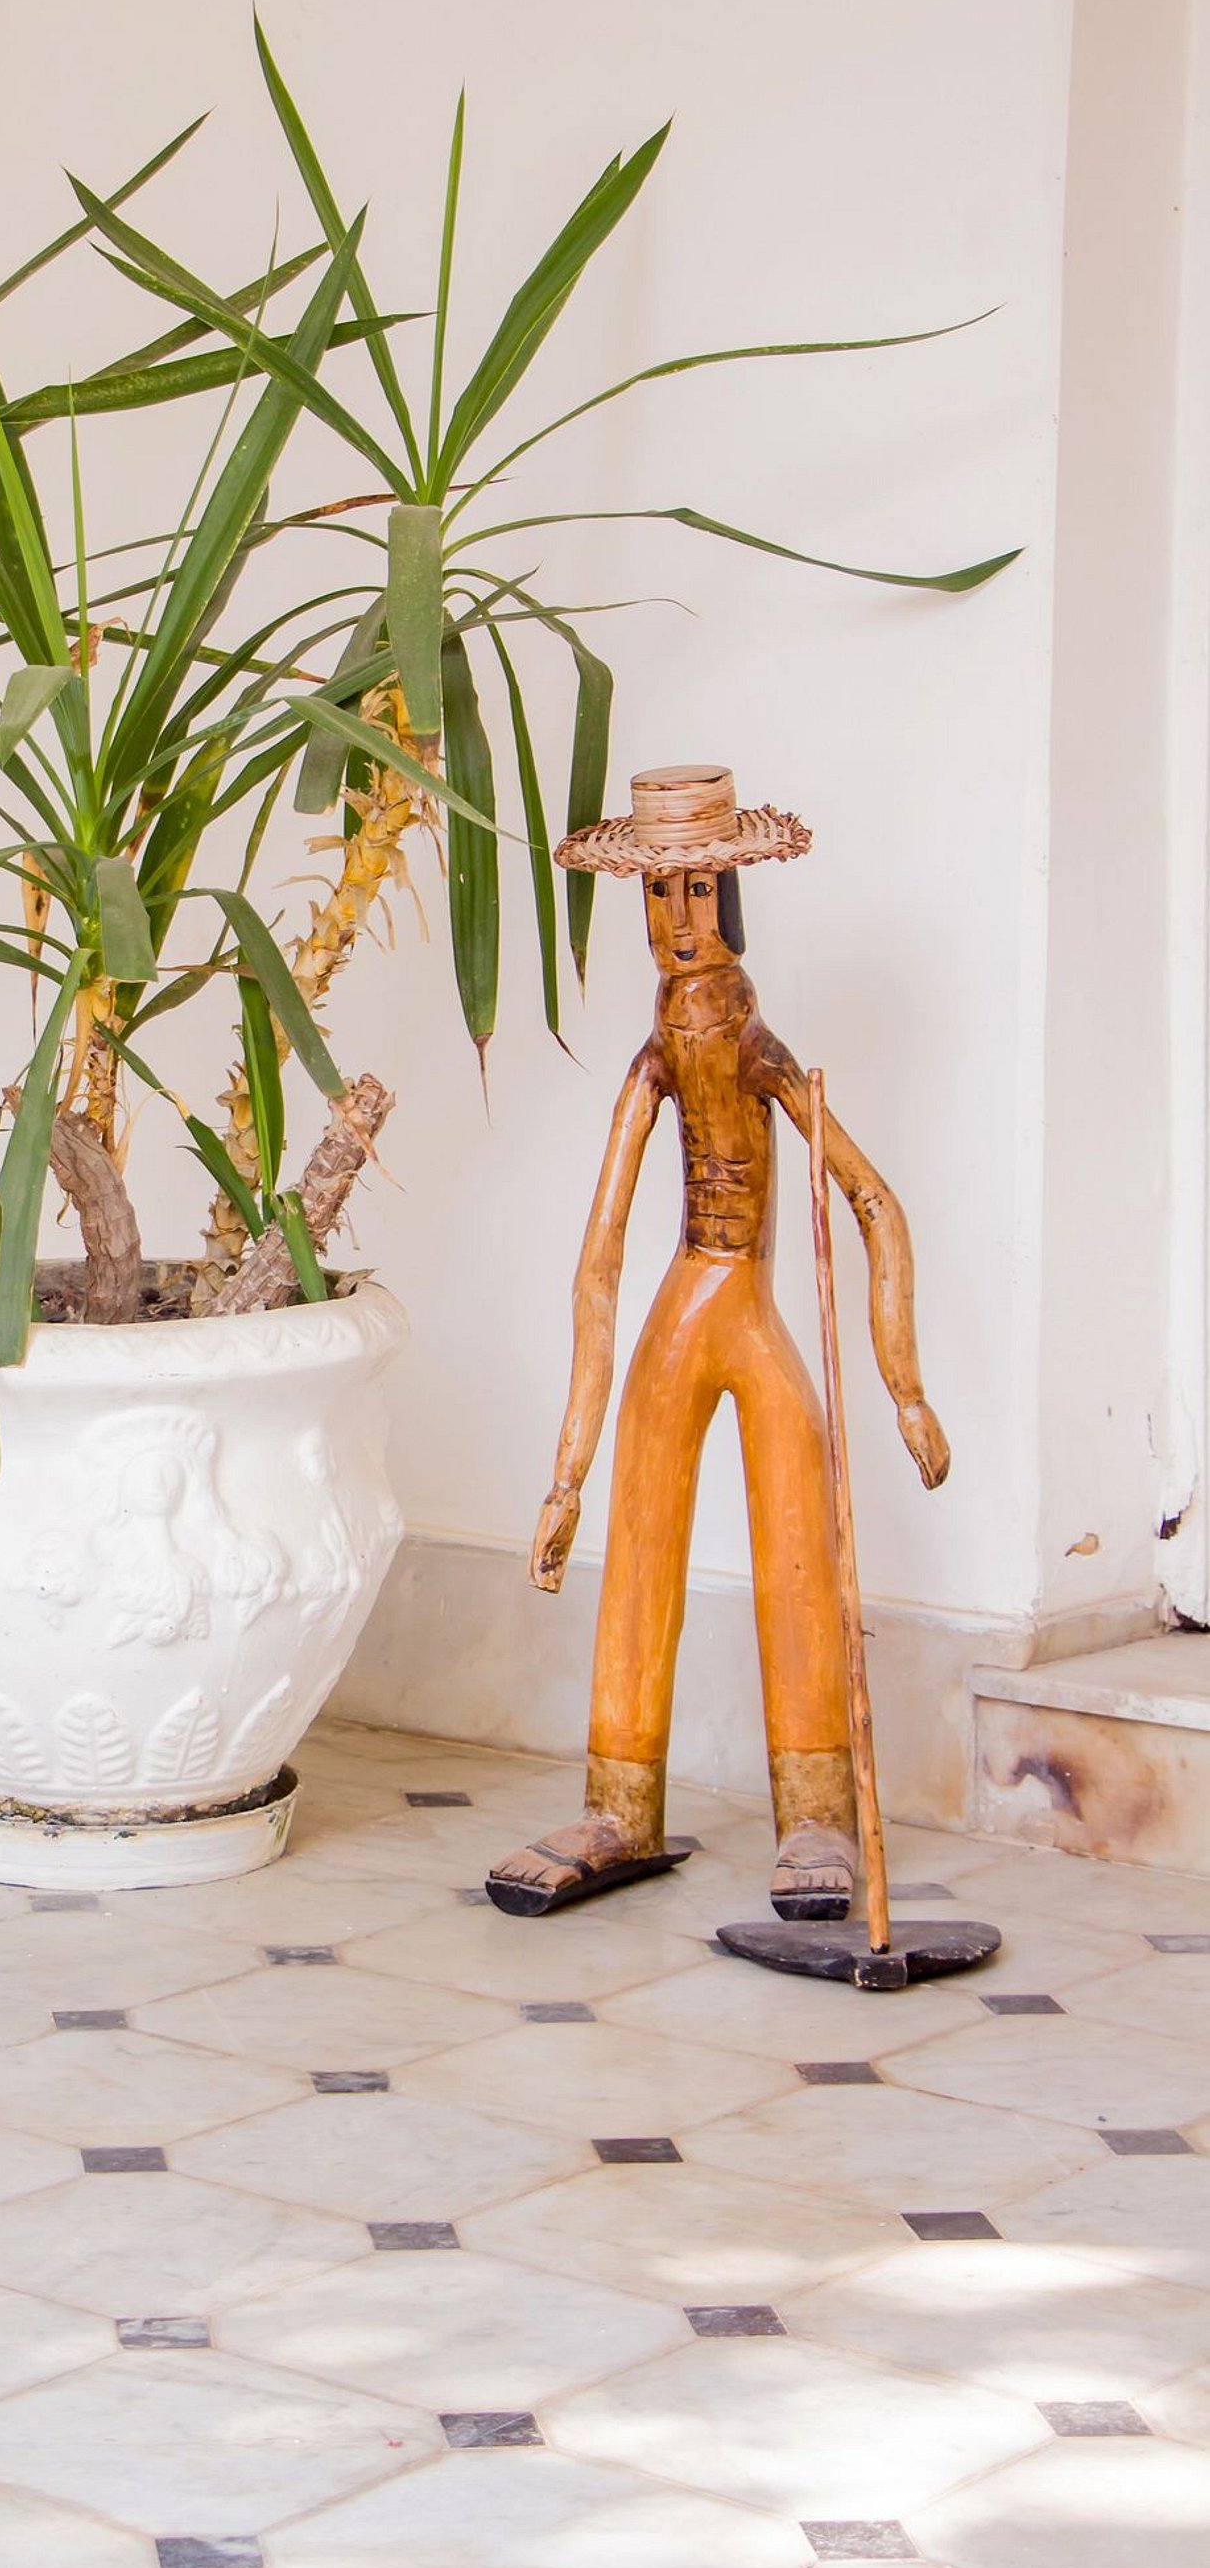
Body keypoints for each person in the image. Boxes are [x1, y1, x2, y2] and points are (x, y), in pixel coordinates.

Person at [487, 766, 948, 1921]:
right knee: (639, 1546)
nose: (678, 922)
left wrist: (903, 1386)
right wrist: (566, 1475)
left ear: (732, 898)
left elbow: (872, 1202)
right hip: (678, 1316)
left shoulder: (756, 1049)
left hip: (749, 1313)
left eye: (697, 891)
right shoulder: (654, 1060)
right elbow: (598, 1264)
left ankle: (814, 1814)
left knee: (798, 1546)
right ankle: (618, 1808)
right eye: (658, 895)